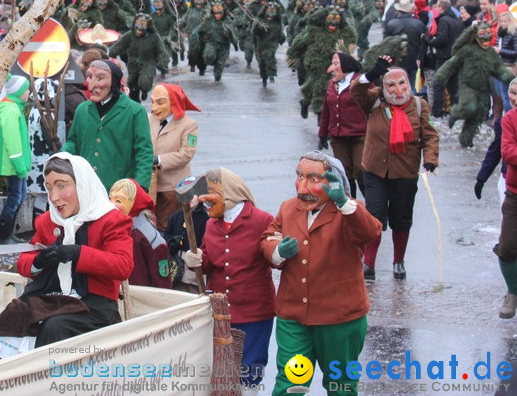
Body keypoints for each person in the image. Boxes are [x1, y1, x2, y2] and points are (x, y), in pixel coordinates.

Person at [261, 151, 381, 396]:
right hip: (294, 319)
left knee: (341, 386)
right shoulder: (288, 208)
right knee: (290, 385)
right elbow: (267, 239)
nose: (302, 186)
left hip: (339, 321)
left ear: (333, 183)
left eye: (313, 179)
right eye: (299, 176)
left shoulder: (350, 212)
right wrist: (277, 251)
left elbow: (370, 233)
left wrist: (344, 203)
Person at [0, 154, 131, 359]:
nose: (54, 197)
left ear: (81, 184)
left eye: (62, 185)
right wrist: (38, 262)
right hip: (51, 299)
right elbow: (24, 262)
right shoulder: (48, 221)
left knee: (55, 327)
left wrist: (78, 253)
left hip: (94, 306)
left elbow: (123, 265)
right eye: (48, 188)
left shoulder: (110, 219)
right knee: (9, 320)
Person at [182, 168, 274, 386]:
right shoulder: (211, 224)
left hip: (254, 312)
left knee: (249, 370)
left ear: (229, 193)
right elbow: (210, 262)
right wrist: (195, 259)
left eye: (210, 193)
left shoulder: (262, 220)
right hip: (221, 312)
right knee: (222, 370)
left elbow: (274, 258)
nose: (204, 200)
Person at [353, 56, 439, 280]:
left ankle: (398, 261)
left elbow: (430, 135)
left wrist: (430, 159)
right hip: (375, 170)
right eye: (391, 84)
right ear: (384, 87)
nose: (398, 89)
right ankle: (369, 263)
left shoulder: (420, 106)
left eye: (402, 83)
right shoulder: (374, 101)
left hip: (405, 171)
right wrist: (372, 74)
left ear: (408, 84)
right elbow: (356, 91)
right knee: (375, 217)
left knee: (401, 218)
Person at [63, 59, 153, 192]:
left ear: (114, 83)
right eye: (89, 77)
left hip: (120, 191)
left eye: (100, 78)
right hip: (87, 190)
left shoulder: (135, 112)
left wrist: (140, 188)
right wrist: (61, 158)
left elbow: (144, 152)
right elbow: (73, 142)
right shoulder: (82, 110)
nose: (91, 85)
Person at [147, 83, 200, 230]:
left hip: (173, 188)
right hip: (150, 186)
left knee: (168, 227)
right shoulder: (149, 118)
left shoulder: (189, 125)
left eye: (160, 102)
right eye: (152, 102)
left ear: (173, 102)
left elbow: (186, 153)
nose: (154, 108)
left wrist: (159, 160)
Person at [318, 52, 367, 198]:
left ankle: (373, 206)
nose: (332, 68)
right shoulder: (332, 84)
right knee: (344, 172)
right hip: (338, 136)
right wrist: (322, 134)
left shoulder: (361, 81)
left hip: (360, 135)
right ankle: (350, 205)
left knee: (360, 170)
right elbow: (326, 110)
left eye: (335, 64)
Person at [108, 178, 171, 289]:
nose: (111, 205)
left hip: (141, 300)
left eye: (118, 201)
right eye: (110, 199)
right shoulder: (112, 229)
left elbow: (162, 285)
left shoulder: (149, 238)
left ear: (134, 203)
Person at [0, 75, 31, 245]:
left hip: (17, 164)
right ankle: (3, 236)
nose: (29, 92)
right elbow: (12, 141)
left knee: (19, 196)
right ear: (19, 92)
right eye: (26, 89)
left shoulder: (15, 107)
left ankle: (8, 234)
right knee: (15, 197)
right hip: (14, 164)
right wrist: (19, 165)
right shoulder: (10, 110)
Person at [424, 0, 462, 118]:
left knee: (438, 84)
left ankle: (437, 111)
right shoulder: (457, 20)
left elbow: (442, 39)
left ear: (442, 7)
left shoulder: (444, 20)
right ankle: (454, 109)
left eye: (437, 6)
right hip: (455, 56)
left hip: (444, 56)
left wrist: (428, 40)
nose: (436, 8)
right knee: (453, 84)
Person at [498, 80, 517, 318]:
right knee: (507, 249)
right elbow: (507, 151)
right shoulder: (510, 119)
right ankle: (513, 292)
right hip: (515, 192)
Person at [383, 0, 427, 79]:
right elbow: (424, 43)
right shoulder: (418, 24)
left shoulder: (391, 24)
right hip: (415, 60)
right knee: (415, 87)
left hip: (398, 60)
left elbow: (386, 44)